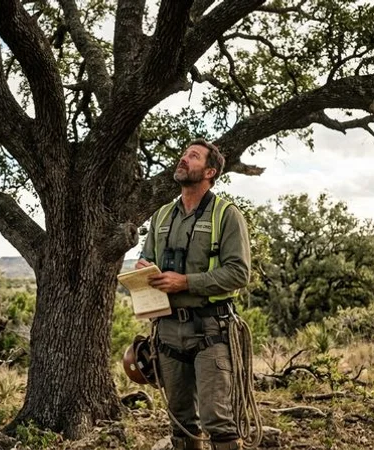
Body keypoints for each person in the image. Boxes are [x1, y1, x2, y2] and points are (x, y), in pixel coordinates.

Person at [136, 139, 250, 450]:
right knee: (180, 421)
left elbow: (239, 274)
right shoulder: (160, 216)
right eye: (184, 153)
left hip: (211, 330)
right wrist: (143, 270)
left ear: (210, 171)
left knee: (218, 421)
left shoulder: (226, 215)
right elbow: (147, 261)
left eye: (193, 156)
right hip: (167, 331)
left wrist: (186, 282)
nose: (183, 159)